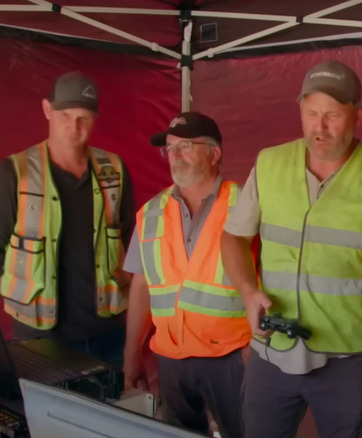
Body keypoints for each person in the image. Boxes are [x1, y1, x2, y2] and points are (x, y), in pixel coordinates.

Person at [221, 60, 362, 438]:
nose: (320, 126)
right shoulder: (269, 164)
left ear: (359, 115)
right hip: (272, 353)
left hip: (347, 363)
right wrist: (248, 293)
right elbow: (233, 237)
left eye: (332, 115)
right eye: (311, 113)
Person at [121, 112, 249, 438]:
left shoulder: (247, 204)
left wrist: (258, 349)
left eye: (185, 147)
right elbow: (142, 286)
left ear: (215, 153)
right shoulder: (150, 213)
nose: (174, 156)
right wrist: (132, 354)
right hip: (171, 357)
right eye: (170, 148)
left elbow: (276, 282)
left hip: (232, 357)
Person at [0, 71, 134, 368]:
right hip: (37, 335)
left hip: (108, 333)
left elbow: (132, 245)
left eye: (83, 117)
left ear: (95, 119)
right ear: (47, 110)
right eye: (65, 114)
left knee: (108, 414)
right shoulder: (14, 172)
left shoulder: (115, 170)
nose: (74, 127)